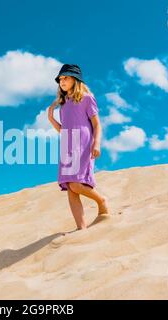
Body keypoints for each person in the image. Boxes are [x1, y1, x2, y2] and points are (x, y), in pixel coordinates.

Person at [48, 64, 109, 230]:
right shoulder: (63, 104)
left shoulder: (87, 98)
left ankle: (101, 200)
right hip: (67, 145)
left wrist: (96, 143)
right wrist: (51, 119)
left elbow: (97, 124)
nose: (62, 81)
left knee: (76, 183)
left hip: (83, 144)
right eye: (60, 79)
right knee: (70, 187)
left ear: (76, 80)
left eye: (66, 77)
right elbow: (64, 130)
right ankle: (81, 228)